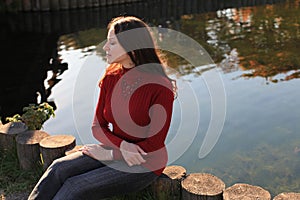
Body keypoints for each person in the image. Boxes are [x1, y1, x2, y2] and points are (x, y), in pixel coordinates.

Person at [28, 16, 175, 200]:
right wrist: (121, 147)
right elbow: (98, 127)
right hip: (114, 148)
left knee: (75, 186)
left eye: (112, 43)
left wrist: (110, 154)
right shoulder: (111, 76)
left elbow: (153, 146)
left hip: (146, 164)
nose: (105, 47)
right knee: (57, 169)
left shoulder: (160, 86)